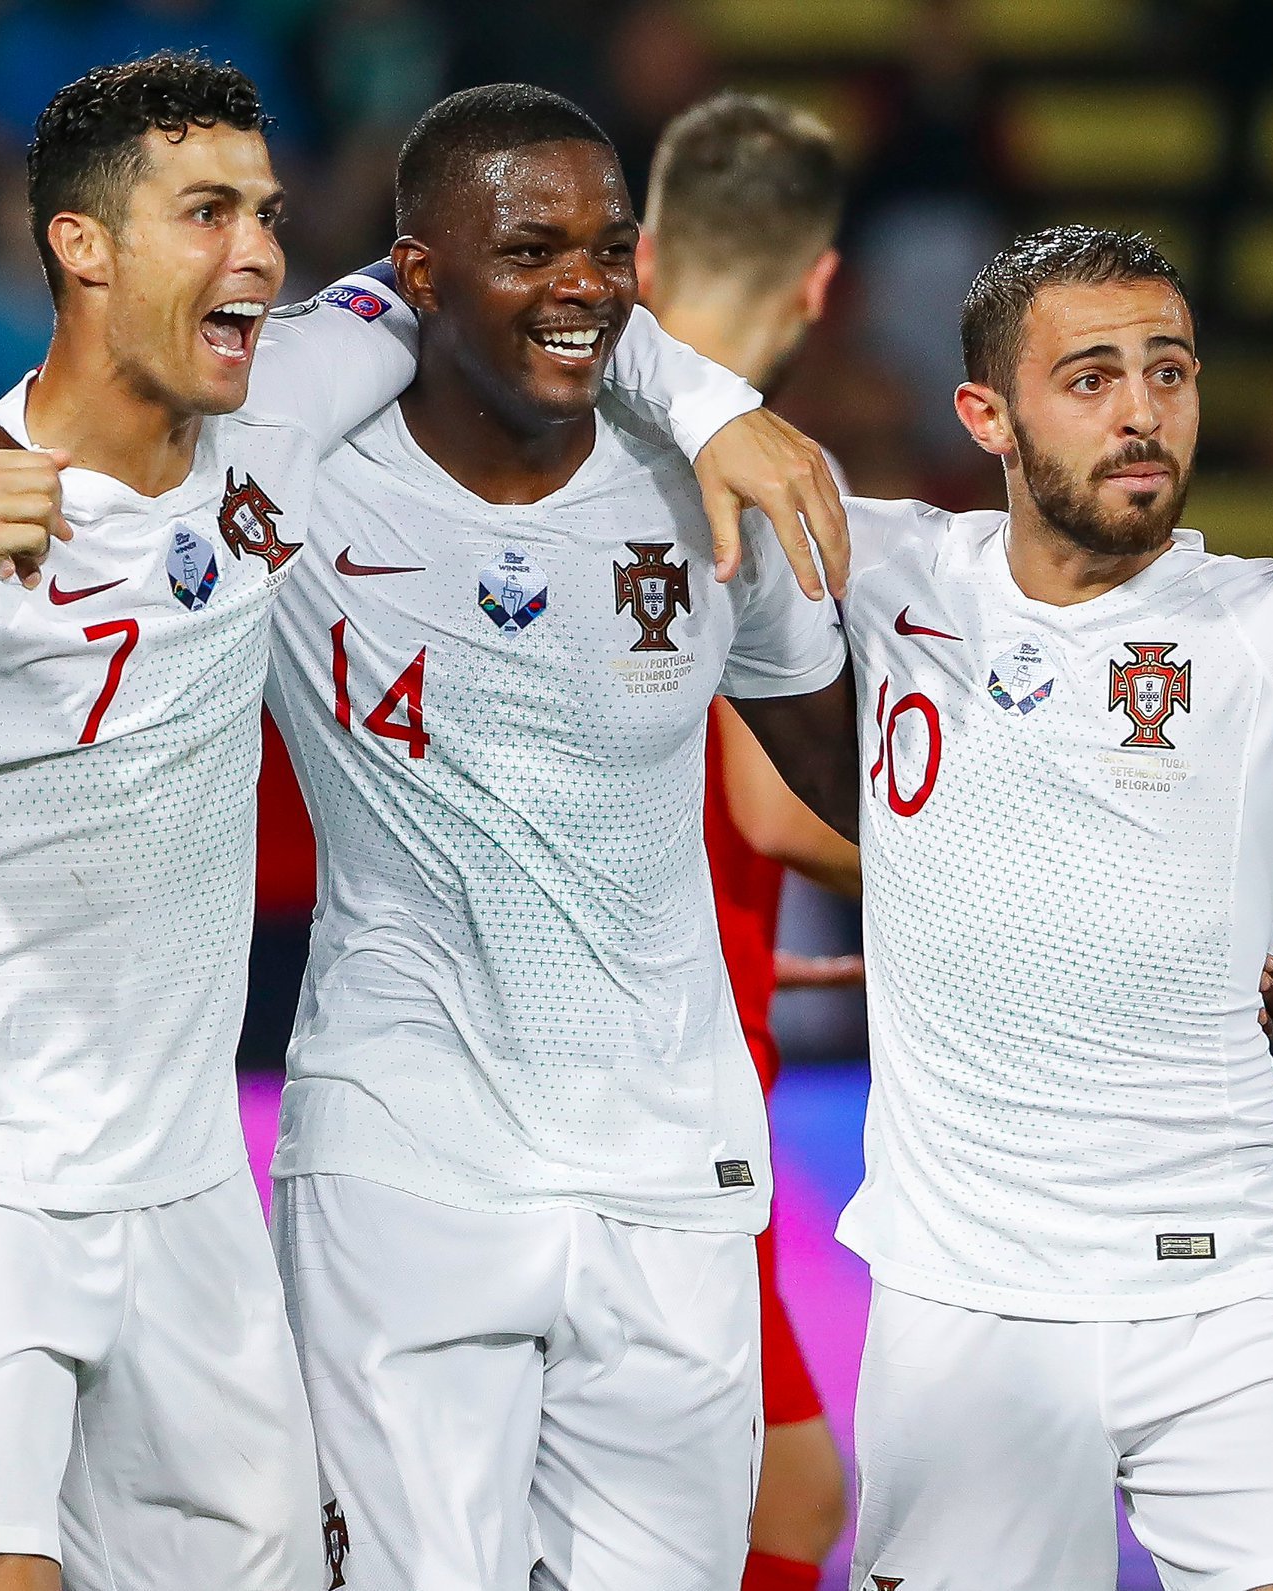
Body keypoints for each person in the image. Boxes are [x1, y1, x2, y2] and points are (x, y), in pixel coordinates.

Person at [0, 55, 839, 1591]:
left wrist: (716, 401)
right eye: (208, 213)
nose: (260, 251)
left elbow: (483, 290)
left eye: (266, 212)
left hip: (193, 1180)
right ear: (87, 245)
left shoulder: (287, 401)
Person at [771, 226, 1273, 1591]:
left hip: (1224, 1292)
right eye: (1090, 377)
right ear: (988, 415)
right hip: (968, 1303)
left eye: (1169, 370)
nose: (1142, 410)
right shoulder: (894, 570)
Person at [257, 85, 852, 1591]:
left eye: (609, 246)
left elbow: (848, 784)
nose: (583, 281)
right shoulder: (295, 482)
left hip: (669, 1171)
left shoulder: (713, 493)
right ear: (419, 274)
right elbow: (154, 406)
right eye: (531, 247)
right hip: (407, 1161)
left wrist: (1107, 925)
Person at [637, 90, 858, 1591]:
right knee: (785, 1493)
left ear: (639, 253)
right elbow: (780, 797)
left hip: (591, 1034)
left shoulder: (547, 439)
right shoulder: (764, 470)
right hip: (683, 1087)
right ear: (822, 283)